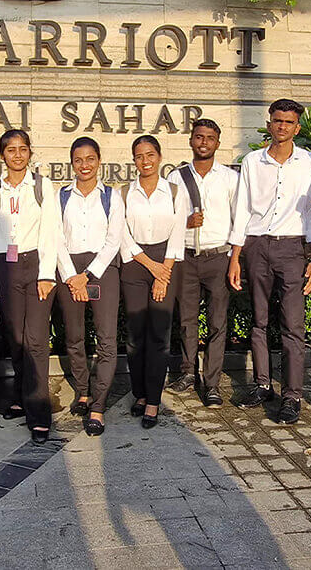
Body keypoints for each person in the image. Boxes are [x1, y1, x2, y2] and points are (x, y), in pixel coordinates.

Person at [229, 99, 311, 424]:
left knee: (293, 325)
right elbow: (242, 209)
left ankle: (292, 395)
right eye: (277, 120)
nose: (282, 126)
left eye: (289, 122)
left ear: (297, 127)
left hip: (293, 247)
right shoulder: (253, 161)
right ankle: (262, 384)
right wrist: (236, 256)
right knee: (259, 320)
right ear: (269, 124)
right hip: (257, 246)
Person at [0, 129, 61, 444]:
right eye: (11, 150)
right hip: (5, 266)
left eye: (22, 149)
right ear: (2, 155)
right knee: (16, 338)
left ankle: (39, 413)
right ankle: (22, 396)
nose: (17, 155)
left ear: (30, 152)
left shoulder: (42, 186)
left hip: (35, 265)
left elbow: (50, 232)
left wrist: (46, 274)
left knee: (36, 340)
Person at [55, 137, 125, 436]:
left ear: (99, 161)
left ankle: (98, 405)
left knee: (106, 339)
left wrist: (88, 275)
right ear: (72, 163)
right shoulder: (61, 197)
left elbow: (114, 240)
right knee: (74, 336)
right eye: (78, 160)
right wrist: (72, 276)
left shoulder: (112, 197)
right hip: (69, 271)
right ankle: (82, 391)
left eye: (90, 159)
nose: (84, 165)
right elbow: (56, 237)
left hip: (102, 270)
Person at [168, 119, 239, 408]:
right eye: (199, 137)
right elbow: (166, 218)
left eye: (210, 138)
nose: (204, 142)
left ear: (217, 143)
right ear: (191, 140)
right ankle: (188, 372)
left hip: (218, 257)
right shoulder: (176, 177)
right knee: (187, 320)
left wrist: (235, 259)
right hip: (186, 257)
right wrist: (185, 222)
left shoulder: (230, 178)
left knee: (217, 322)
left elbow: (239, 220)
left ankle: (211, 384)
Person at [120, 135, 189, 429]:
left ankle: (153, 399)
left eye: (150, 155)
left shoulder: (174, 192)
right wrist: (151, 267)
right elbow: (122, 234)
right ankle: (139, 393)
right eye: (139, 156)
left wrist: (164, 273)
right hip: (135, 264)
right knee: (135, 335)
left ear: (159, 157)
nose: (145, 161)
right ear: (133, 160)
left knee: (159, 335)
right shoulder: (125, 193)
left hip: (166, 261)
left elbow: (178, 234)